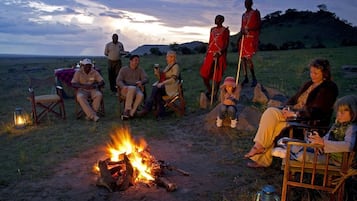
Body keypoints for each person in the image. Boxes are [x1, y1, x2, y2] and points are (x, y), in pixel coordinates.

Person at [244, 58, 339, 168]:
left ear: (325, 73)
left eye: (316, 73)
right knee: (274, 123)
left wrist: (295, 115)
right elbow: (294, 100)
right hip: (293, 115)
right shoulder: (309, 84)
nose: (312, 75)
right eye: (311, 72)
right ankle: (262, 159)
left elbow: (317, 112)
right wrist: (287, 109)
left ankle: (258, 148)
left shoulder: (328, 88)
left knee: (271, 112)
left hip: (306, 121)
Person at [280, 94, 357, 165]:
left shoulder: (352, 128)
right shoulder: (337, 125)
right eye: (338, 112)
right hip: (325, 153)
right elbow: (327, 137)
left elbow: (348, 146)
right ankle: (288, 150)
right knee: (294, 145)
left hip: (335, 160)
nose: (339, 115)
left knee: (302, 155)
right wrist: (318, 142)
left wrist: (324, 143)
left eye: (342, 113)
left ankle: (289, 154)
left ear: (353, 113)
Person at [138, 51, 180, 119]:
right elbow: (161, 77)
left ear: (172, 58)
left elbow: (173, 79)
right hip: (166, 86)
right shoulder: (168, 66)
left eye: (167, 57)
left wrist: (162, 83)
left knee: (156, 88)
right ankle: (160, 114)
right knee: (157, 93)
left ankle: (147, 108)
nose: (166, 58)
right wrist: (157, 72)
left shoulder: (175, 66)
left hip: (171, 87)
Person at [200, 15, 230, 100]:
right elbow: (210, 42)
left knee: (217, 75)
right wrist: (207, 54)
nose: (215, 20)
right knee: (204, 74)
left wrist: (220, 53)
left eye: (217, 19)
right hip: (210, 54)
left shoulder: (225, 30)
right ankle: (210, 90)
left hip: (219, 55)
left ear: (222, 20)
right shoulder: (212, 30)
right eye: (215, 18)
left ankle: (215, 94)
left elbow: (226, 44)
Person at [116, 55, 148, 119]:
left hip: (136, 88)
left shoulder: (140, 70)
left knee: (141, 95)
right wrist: (123, 86)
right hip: (126, 89)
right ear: (130, 61)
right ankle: (126, 110)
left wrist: (141, 82)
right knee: (132, 88)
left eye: (138, 61)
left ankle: (131, 113)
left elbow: (146, 79)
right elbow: (118, 80)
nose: (137, 62)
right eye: (136, 60)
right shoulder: (124, 69)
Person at [238, 0, 261, 87]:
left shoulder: (255, 13)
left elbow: (258, 25)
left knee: (248, 58)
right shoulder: (243, 15)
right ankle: (246, 77)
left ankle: (254, 78)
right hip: (243, 39)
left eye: (248, 3)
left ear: (251, 4)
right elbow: (242, 27)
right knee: (242, 58)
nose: (246, 4)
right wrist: (239, 38)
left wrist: (249, 30)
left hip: (250, 38)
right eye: (245, 3)